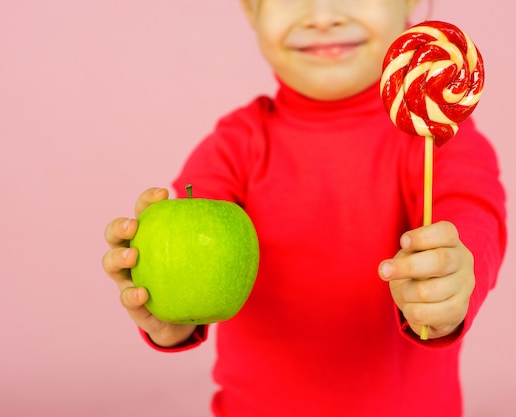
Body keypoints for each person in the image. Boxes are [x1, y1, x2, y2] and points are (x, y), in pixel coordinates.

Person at [102, 0, 507, 416]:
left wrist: (456, 275)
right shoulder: (235, 145)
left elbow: (474, 213)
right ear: (251, 11)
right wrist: (174, 316)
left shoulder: (434, 140)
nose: (323, 16)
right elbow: (192, 252)